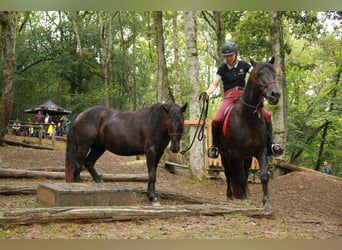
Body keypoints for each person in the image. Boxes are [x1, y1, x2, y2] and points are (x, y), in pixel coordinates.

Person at [205, 42, 283, 159]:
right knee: (216, 120)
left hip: (243, 96)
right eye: (226, 56)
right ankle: (215, 147)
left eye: (231, 55)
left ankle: (271, 144)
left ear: (236, 54)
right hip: (229, 97)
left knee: (267, 115)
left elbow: (258, 72)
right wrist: (207, 92)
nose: (228, 58)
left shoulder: (244, 65)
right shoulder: (222, 69)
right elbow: (214, 84)